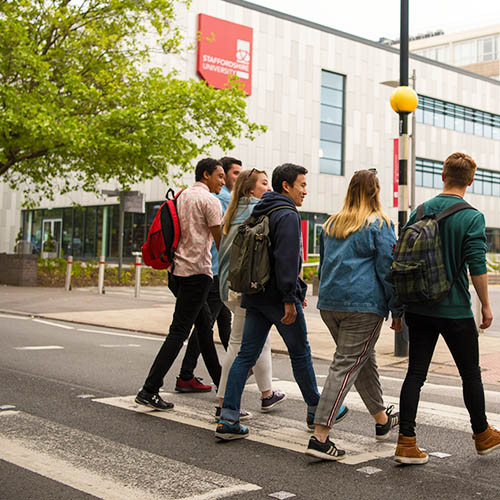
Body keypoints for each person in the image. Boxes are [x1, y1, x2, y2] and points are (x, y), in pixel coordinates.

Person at [214, 163, 347, 440]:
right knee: (300, 353)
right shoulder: (286, 214)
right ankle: (315, 408)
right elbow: (287, 260)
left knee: (245, 355)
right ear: (286, 186)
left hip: (255, 295)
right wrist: (290, 298)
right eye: (302, 185)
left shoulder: (260, 209)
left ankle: (228, 418)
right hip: (278, 297)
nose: (305, 191)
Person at [395, 152, 499, 464]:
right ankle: (482, 435)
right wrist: (486, 307)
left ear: (443, 176)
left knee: (415, 373)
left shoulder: (421, 211)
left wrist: (399, 310)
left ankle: (406, 441)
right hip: (454, 311)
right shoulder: (472, 217)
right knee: (470, 374)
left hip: (419, 306)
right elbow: (477, 266)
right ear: (470, 180)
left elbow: (402, 261)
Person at [304, 169, 402, 461]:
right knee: (346, 366)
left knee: (361, 360)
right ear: (376, 192)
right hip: (362, 305)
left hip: (330, 304)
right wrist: (397, 309)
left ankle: (382, 420)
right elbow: (388, 270)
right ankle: (320, 435)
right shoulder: (380, 223)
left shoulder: (332, 223)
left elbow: (323, 266)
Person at [135, 158, 225, 410]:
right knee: (179, 332)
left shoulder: (181, 197)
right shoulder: (209, 201)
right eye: (219, 176)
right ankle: (149, 388)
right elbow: (220, 242)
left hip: (177, 273)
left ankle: (224, 389)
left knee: (205, 332)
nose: (222, 181)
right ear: (206, 175)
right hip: (197, 273)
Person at [216, 168, 286, 420]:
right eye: (264, 184)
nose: (269, 188)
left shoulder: (232, 212)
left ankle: (267, 394)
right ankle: (223, 401)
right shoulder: (257, 211)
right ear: (250, 190)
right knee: (239, 343)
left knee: (259, 339)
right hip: (245, 288)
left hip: (228, 285)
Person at [175, 157, 243, 393]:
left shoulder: (188, 195)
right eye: (230, 174)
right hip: (211, 271)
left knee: (222, 321)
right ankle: (187, 374)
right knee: (204, 324)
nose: (232, 179)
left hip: (204, 271)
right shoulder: (220, 200)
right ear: (210, 175)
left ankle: (239, 363)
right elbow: (222, 239)